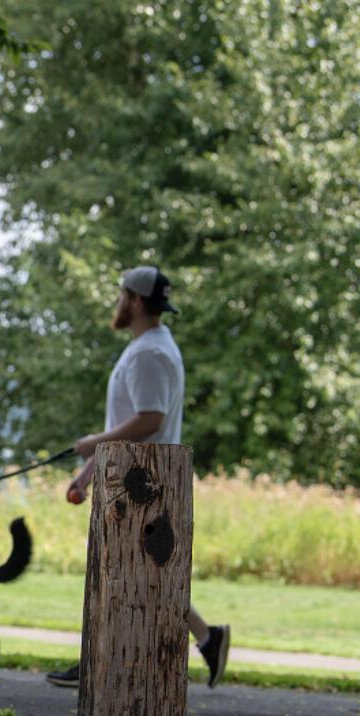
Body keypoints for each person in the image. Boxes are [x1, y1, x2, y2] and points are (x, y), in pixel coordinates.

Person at [45, 265, 230, 689]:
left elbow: (150, 420)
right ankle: (206, 638)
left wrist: (94, 442)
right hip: (131, 478)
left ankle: (101, 663)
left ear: (134, 300)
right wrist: (91, 470)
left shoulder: (150, 353)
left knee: (120, 577)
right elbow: (133, 421)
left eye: (121, 294)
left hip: (140, 483)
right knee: (142, 578)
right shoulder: (147, 347)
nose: (117, 301)